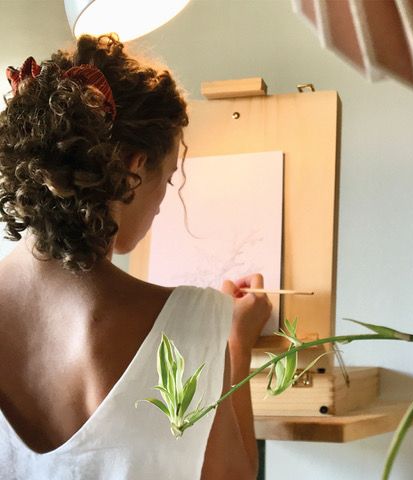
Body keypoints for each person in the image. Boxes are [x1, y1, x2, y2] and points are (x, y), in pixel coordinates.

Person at [0, 34, 272, 479]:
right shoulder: (193, 323)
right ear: (133, 166)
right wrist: (234, 346)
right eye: (168, 177)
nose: (163, 201)